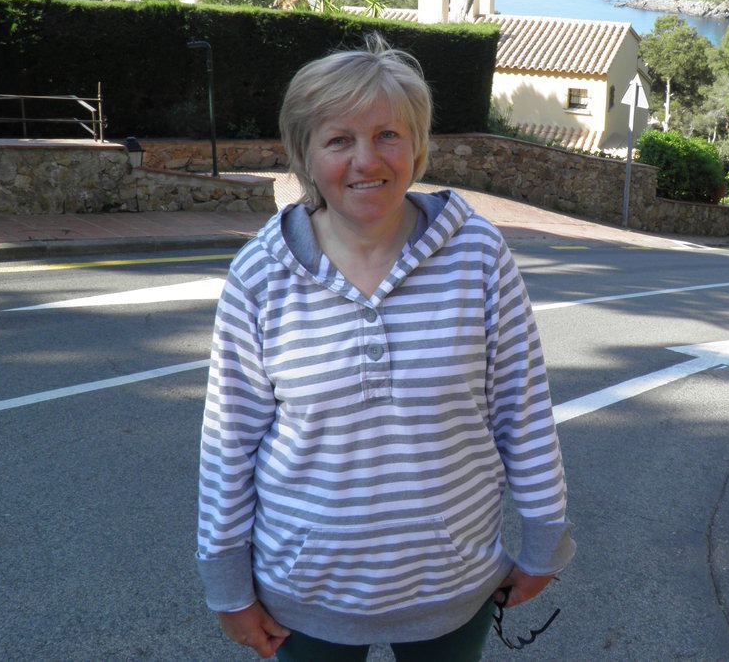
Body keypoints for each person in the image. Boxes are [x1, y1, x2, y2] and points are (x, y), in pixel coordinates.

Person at [195, 34, 574, 660]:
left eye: (388, 135)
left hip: (454, 587)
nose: (366, 160)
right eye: (338, 140)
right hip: (303, 594)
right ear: (304, 154)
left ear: (417, 146)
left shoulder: (478, 255)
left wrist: (544, 542)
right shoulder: (260, 274)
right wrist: (227, 586)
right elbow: (228, 443)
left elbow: (523, 410)